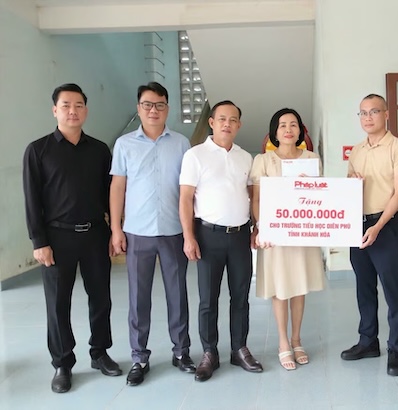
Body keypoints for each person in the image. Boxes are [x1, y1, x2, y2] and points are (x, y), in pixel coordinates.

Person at [23, 83, 122, 393]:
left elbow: (110, 194)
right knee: (57, 303)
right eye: (66, 105)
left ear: (86, 111)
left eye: (78, 105)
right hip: (57, 237)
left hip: (95, 234)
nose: (72, 111)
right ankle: (62, 363)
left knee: (101, 297)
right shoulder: (38, 150)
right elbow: (31, 199)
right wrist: (39, 242)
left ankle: (100, 353)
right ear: (55, 110)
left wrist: (115, 229)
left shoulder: (99, 150)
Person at [110, 82, 194, 386]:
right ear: (139, 108)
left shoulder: (182, 144)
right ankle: (139, 357)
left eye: (159, 104)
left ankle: (181, 352)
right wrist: (116, 228)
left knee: (178, 294)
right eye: (147, 104)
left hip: (173, 230)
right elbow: (117, 187)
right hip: (137, 232)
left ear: (167, 109)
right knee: (138, 297)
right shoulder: (124, 145)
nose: (153, 110)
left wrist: (190, 231)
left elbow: (189, 189)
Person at [179, 100, 263, 382]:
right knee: (208, 299)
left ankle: (239, 349)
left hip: (239, 236)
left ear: (239, 125)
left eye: (233, 120)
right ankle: (209, 352)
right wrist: (188, 237)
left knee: (240, 296)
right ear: (212, 122)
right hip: (207, 236)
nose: (227, 124)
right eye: (222, 119)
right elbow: (185, 198)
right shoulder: (195, 155)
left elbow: (253, 197)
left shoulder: (245, 157)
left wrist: (257, 226)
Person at [340, 94, 398, 376]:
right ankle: (368, 341)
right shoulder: (357, 151)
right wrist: (351, 184)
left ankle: (395, 349)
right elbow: (349, 189)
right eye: (363, 113)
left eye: (374, 111)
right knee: (364, 286)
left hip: (385, 225)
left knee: (392, 288)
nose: (368, 117)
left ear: (386, 114)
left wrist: (378, 226)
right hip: (357, 226)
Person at [250, 108, 325, 371]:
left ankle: (297, 339)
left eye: (293, 124)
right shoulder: (263, 160)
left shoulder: (312, 159)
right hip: (275, 235)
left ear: (300, 130)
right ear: (275, 131)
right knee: (280, 287)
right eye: (282, 125)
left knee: (299, 285)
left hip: (302, 232)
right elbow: (257, 199)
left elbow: (321, 196)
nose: (288, 129)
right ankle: (283, 342)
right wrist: (262, 227)